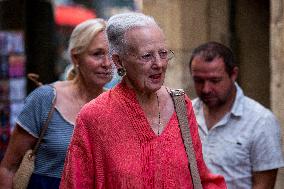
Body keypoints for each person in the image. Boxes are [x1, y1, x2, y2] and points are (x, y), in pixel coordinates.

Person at [60, 12, 226, 189]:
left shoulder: (180, 104)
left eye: (163, 53)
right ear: (119, 61)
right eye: (146, 56)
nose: (159, 64)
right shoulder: (94, 116)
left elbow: (201, 177)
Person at [0, 18, 112, 189]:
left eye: (112, 55)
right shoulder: (45, 99)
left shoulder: (117, 106)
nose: (107, 63)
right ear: (76, 57)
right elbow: (8, 168)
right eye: (97, 54)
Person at [189, 41, 284, 189]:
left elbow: (264, 185)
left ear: (233, 74)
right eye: (199, 80)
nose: (206, 89)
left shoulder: (261, 121)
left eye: (215, 80)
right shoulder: (183, 115)